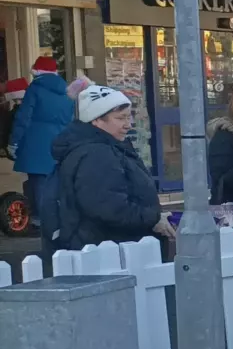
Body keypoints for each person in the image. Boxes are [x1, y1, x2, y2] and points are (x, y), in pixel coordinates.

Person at [50, 86, 174, 251]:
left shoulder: (105, 148)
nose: (128, 125)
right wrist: (153, 219)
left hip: (115, 247)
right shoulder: (96, 154)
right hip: (111, 249)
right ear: (96, 120)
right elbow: (110, 207)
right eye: (120, 118)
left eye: (128, 117)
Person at [12, 56, 74, 236]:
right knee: (55, 181)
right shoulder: (67, 91)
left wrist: (14, 141)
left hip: (36, 141)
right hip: (60, 141)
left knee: (37, 183)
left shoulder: (35, 88)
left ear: (37, 71)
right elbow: (70, 118)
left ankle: (40, 222)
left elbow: (24, 117)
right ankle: (57, 219)